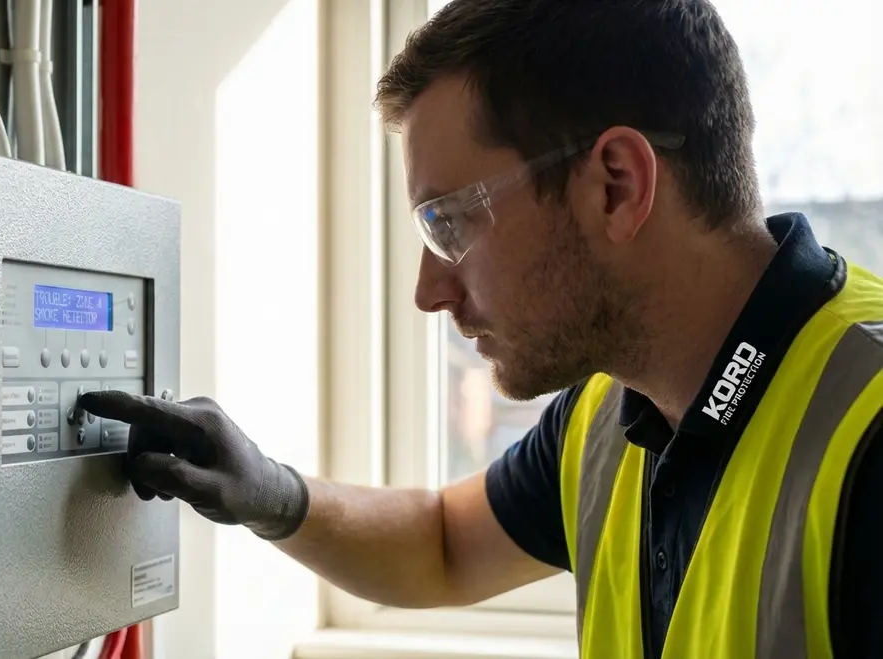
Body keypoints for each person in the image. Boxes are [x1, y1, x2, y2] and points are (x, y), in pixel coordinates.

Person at [79, 1, 883, 657]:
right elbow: (443, 545)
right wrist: (271, 493)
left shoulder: (868, 429)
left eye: (451, 223)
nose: (429, 291)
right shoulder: (608, 415)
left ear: (615, 186)